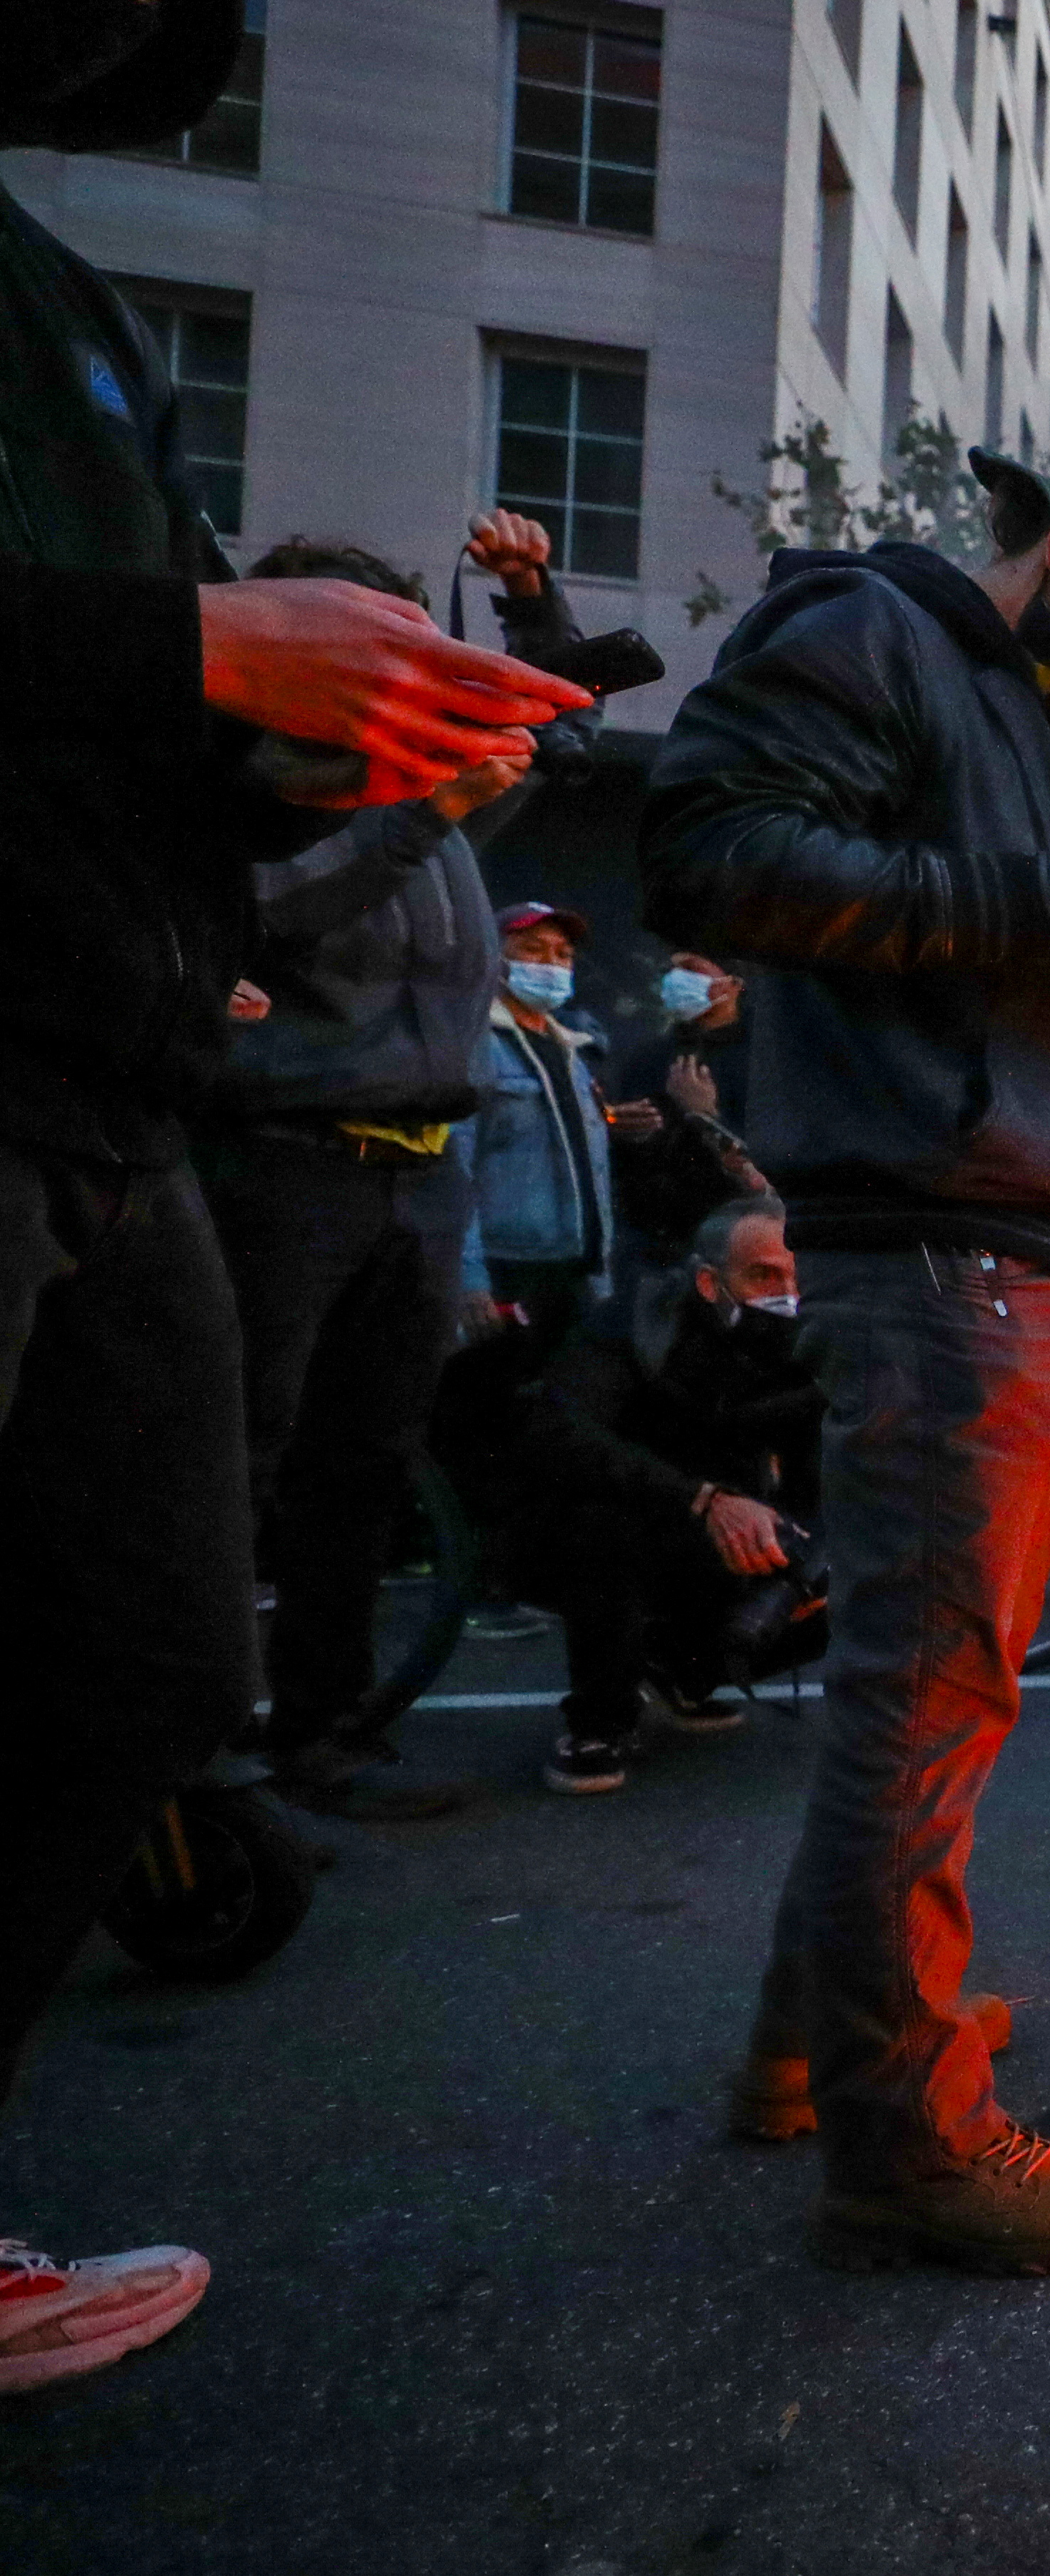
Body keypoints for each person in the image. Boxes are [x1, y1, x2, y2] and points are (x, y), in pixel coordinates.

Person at [0, 0, 592, 2395]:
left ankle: (294, 1738)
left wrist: (363, 724)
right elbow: (276, 866)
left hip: (112, 1078)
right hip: (161, 1109)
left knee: (155, 1637)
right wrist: (210, 658)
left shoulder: (53, 300)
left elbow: (194, 801)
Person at [643, 441, 1050, 2273]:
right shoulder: (875, 629)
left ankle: (813, 2057)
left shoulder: (1015, 734)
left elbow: (990, 969)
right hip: (938, 1252)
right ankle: (907, 2136)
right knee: (930, 1696)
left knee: (912, 1692)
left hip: (995, 1243)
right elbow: (712, 851)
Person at [201, 518, 589, 1821]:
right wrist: (427, 814)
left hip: (420, 1175)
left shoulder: (433, 786)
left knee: (363, 1467)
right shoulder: (272, 785)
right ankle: (187, 1762)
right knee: (236, 1459)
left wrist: (532, 602)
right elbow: (267, 919)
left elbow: (566, 725)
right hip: (286, 1167)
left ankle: (321, 1734)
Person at [512, 1197, 826, 1794]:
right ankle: (598, 1720)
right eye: (763, 1275)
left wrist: (809, 1555)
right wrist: (704, 1499)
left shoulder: (802, 1341)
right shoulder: (632, 1326)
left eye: (793, 1275)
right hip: (615, 1519)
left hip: (718, 1528)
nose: (784, 1293)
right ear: (710, 1282)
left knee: (837, 1565)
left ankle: (684, 1670)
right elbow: (559, 1433)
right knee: (605, 1526)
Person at [438, 897, 637, 1639]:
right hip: (507, 1272)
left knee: (543, 1428)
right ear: (494, 957)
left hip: (565, 1273)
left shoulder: (571, 1047)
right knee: (484, 1428)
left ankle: (527, 1575)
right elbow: (455, 1166)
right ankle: (482, 1587)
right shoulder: (474, 1045)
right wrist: (470, 1277)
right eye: (534, 949)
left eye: (562, 953)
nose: (550, 965)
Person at [614, 948, 767, 1268]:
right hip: (657, 1241)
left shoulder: (765, 1058)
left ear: (732, 984)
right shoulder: (649, 1057)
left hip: (743, 1233)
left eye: (692, 970)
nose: (676, 980)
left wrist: (706, 1116)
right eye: (673, 969)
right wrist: (620, 1127)